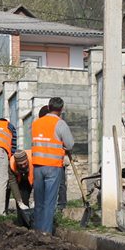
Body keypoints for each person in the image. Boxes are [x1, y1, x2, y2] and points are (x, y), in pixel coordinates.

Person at [30, 97, 74, 234]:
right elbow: (70, 144)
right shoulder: (60, 124)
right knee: (49, 202)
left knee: (39, 201)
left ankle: (37, 229)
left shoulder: (36, 123)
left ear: (48, 108)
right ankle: (46, 232)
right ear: (61, 110)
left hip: (37, 166)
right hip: (53, 167)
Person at [38, 105, 68, 209]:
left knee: (59, 185)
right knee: (59, 184)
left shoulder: (55, 125)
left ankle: (60, 206)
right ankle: (58, 206)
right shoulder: (45, 125)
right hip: (52, 161)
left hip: (52, 161)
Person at [8, 149, 34, 226]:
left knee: (36, 202)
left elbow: (38, 181)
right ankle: (22, 224)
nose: (23, 166)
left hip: (35, 180)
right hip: (22, 180)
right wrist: (19, 202)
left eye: (24, 163)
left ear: (27, 160)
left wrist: (33, 199)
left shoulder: (34, 160)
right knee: (22, 197)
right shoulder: (11, 165)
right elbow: (13, 183)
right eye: (20, 165)